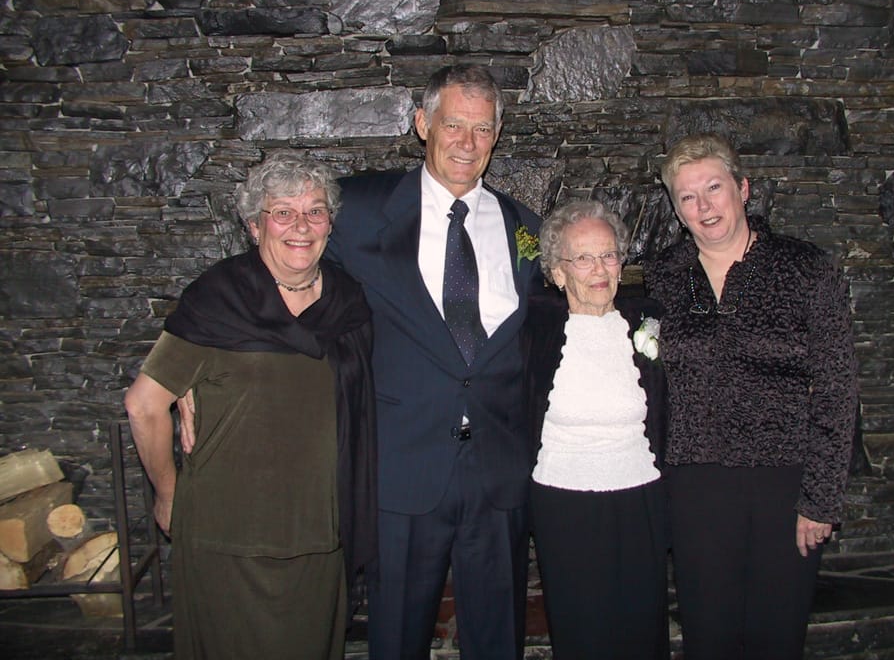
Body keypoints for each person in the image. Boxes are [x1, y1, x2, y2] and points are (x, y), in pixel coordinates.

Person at [323, 64, 542, 659]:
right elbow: (282, 264)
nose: (467, 143)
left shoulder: (526, 227)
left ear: (498, 134)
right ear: (423, 124)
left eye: (482, 128)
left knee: (499, 637)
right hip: (404, 463)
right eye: (453, 124)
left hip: (498, 469)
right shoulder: (359, 208)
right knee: (395, 636)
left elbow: (548, 327)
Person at [124, 152, 376, 660]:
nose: (300, 226)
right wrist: (169, 494)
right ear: (255, 226)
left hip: (320, 530)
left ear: (330, 223)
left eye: (315, 210)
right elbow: (144, 404)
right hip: (226, 535)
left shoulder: (349, 301)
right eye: (282, 212)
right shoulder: (220, 298)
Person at [645, 133, 859, 660]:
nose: (704, 206)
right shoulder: (664, 276)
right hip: (695, 486)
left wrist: (822, 498)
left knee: (776, 637)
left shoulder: (804, 268)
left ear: (743, 188)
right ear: (676, 209)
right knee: (707, 637)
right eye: (687, 197)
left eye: (714, 188)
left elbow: (837, 387)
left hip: (784, 485)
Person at [523, 200, 669, 660]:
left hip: (641, 497)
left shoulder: (648, 320)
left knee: (642, 632)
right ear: (558, 272)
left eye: (608, 255)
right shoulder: (533, 329)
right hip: (563, 503)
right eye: (583, 257)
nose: (599, 268)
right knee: (583, 633)